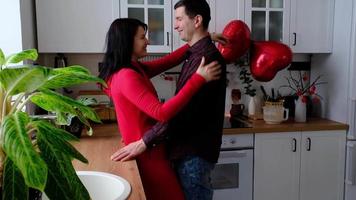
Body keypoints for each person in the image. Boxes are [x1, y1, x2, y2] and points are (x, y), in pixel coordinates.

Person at [111, 1, 227, 199]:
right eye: (142, 37)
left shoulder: (206, 58)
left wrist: (143, 142)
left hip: (189, 153)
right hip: (169, 151)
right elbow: (165, 111)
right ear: (128, 42)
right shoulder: (130, 71)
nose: (175, 25)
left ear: (197, 20)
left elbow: (178, 112)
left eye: (179, 19)